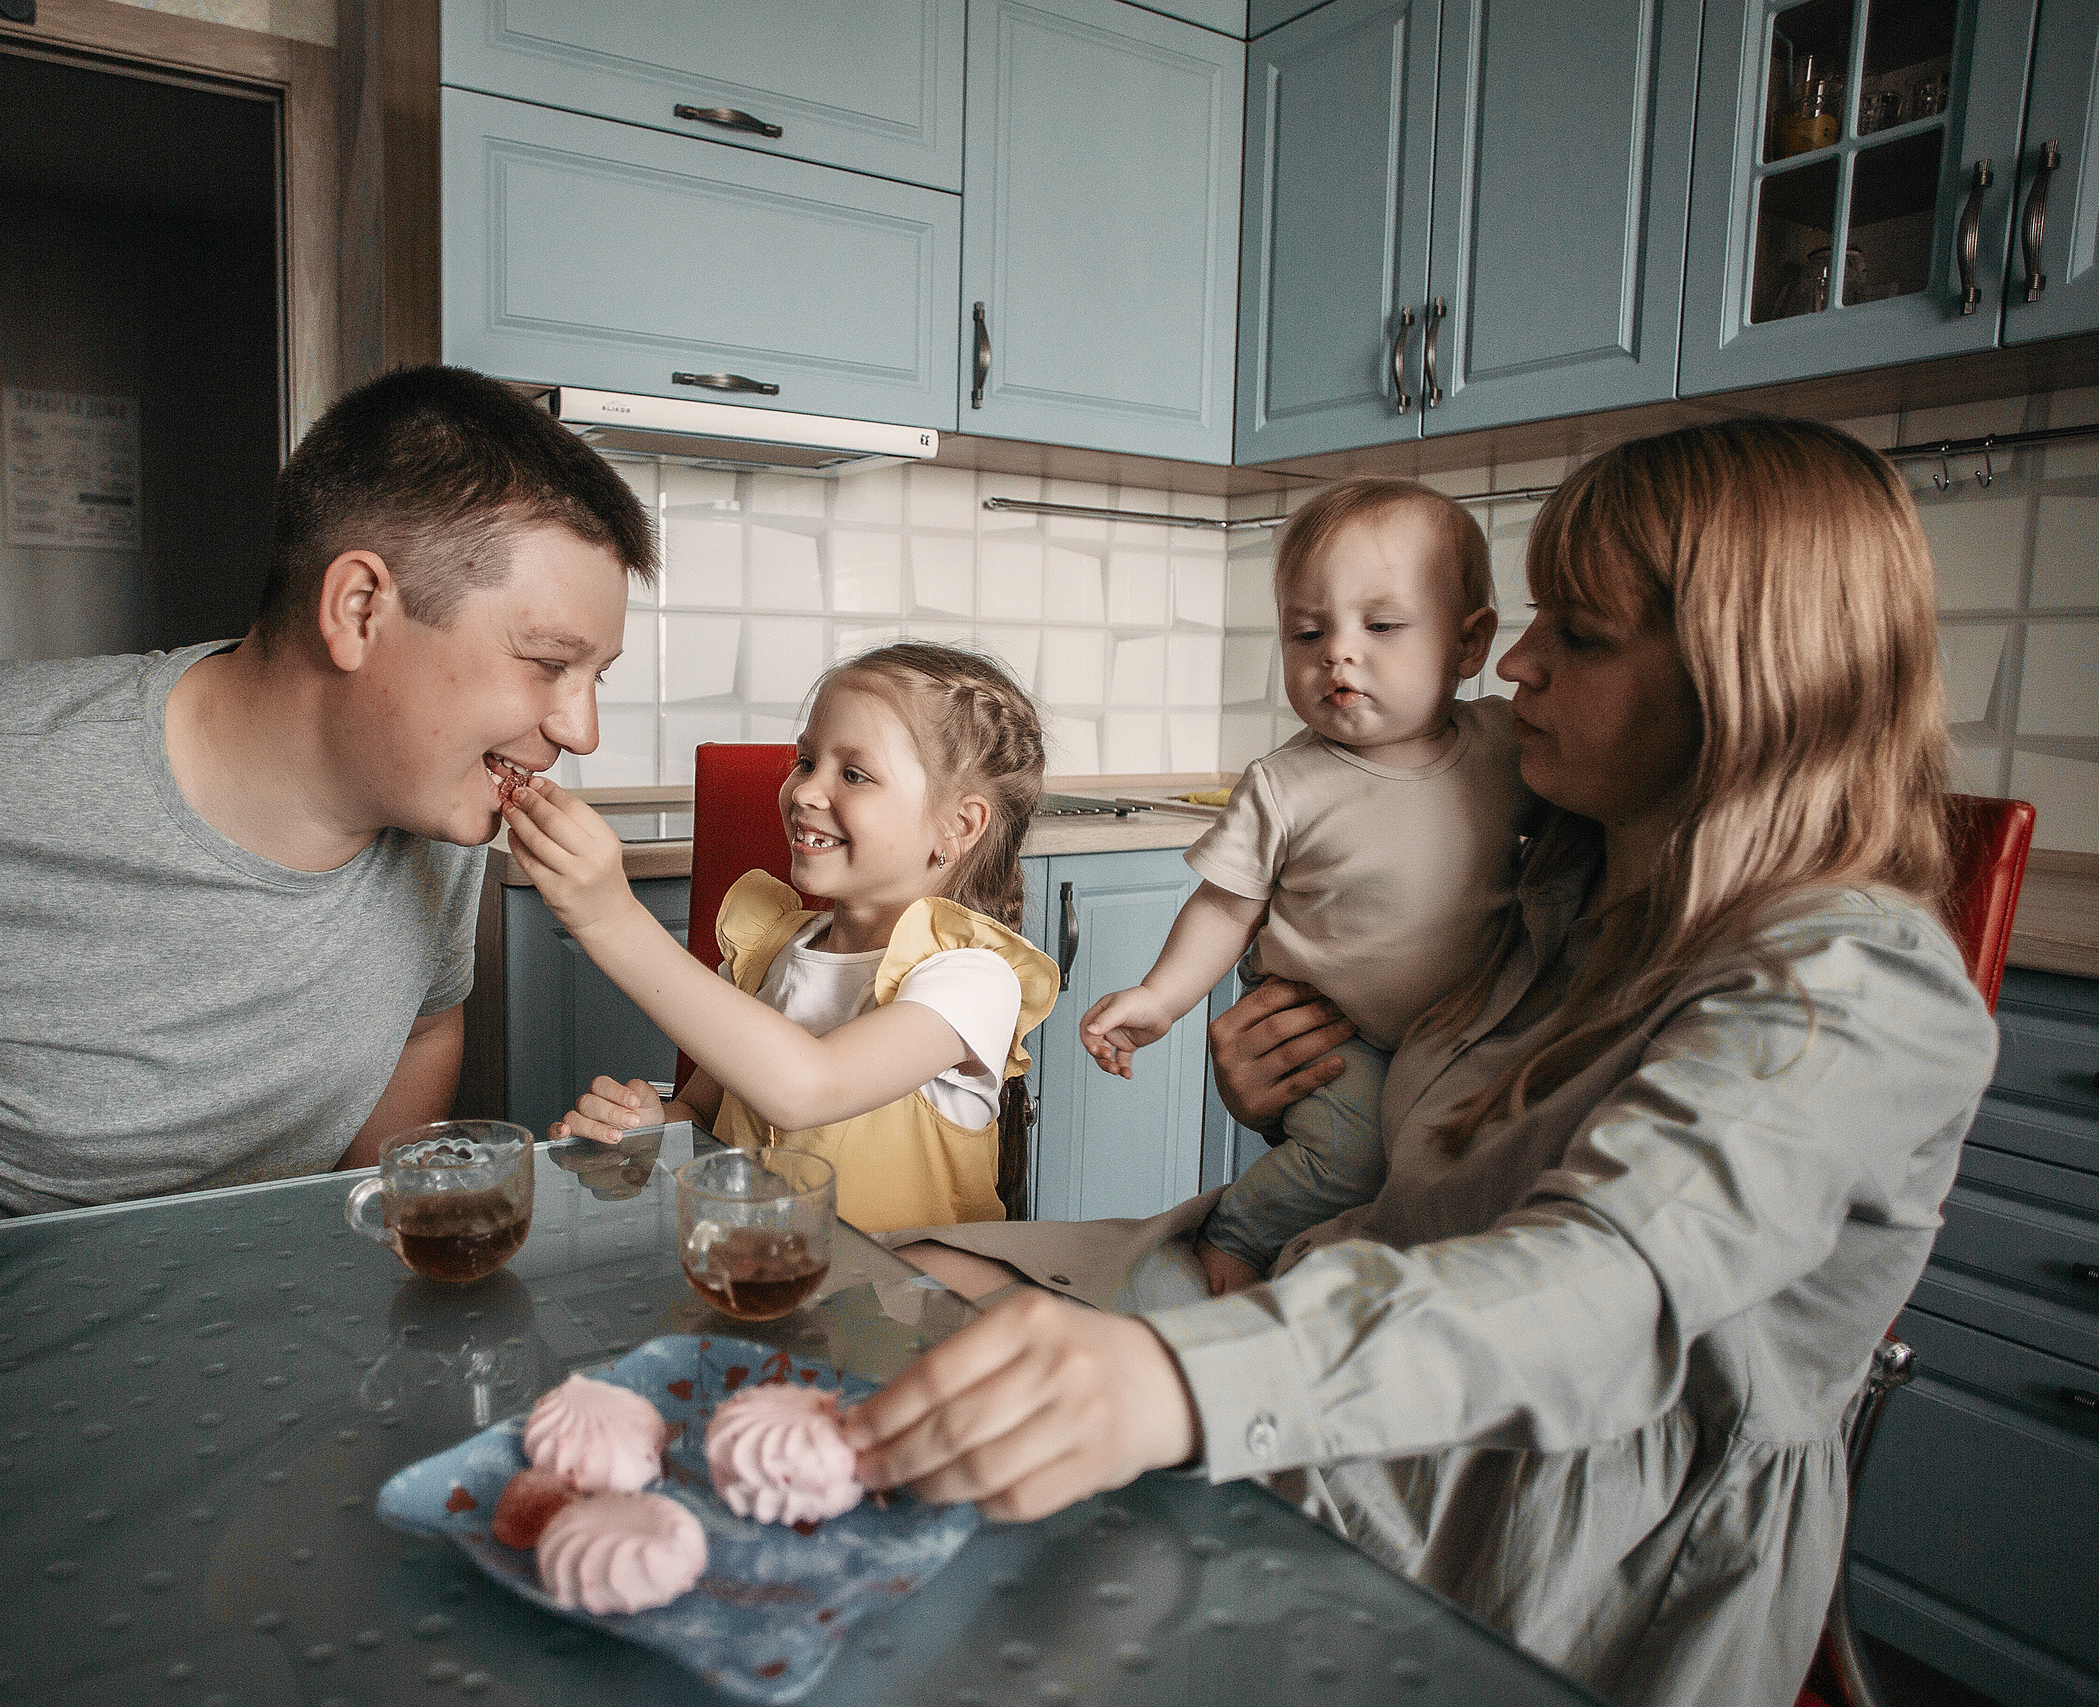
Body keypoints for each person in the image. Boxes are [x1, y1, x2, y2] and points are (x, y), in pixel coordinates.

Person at [843, 418, 1999, 1707]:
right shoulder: (1560, 873)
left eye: (1579, 631)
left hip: (1535, 1505)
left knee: (996, 1587)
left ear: (1751, 678)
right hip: (1340, 1302)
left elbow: (1596, 1286)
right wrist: (1265, 1097)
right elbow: (1430, 1127)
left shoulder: (1846, 989)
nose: (1515, 662)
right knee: (911, 1285)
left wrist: (1176, 1377)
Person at [0, 365, 653, 1308]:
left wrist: (364, 1267)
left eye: (594, 680)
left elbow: (422, 1023)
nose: (580, 729)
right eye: (548, 664)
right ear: (361, 608)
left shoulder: (444, 818)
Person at [1078, 478, 1536, 1291]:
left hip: (1467, 1040)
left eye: (1382, 625)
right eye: (1306, 631)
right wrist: (1161, 997)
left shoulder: (1508, 746)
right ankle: (1233, 1241)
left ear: (1470, 647)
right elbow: (1225, 904)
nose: (1338, 652)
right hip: (1342, 1039)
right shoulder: (1286, 783)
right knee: (1350, 1163)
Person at [508, 642, 1057, 1233]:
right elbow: (703, 1113)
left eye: (853, 774)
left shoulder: (972, 979)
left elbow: (808, 1086)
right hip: (755, 1285)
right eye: (805, 760)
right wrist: (648, 1135)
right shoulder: (768, 950)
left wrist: (610, 919)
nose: (803, 792)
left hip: (907, 1311)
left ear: (959, 825)